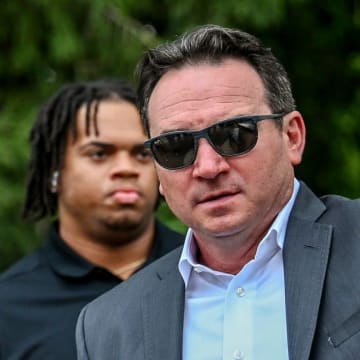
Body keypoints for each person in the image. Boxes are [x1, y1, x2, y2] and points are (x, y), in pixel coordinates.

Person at [75, 26, 360, 360]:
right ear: (157, 172)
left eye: (234, 135)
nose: (208, 167)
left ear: (292, 137)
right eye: (175, 147)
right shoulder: (107, 329)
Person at [0, 78, 184, 360]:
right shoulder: (9, 307)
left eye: (142, 153)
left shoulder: (206, 271)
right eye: (99, 153)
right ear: (54, 172)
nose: (126, 169)